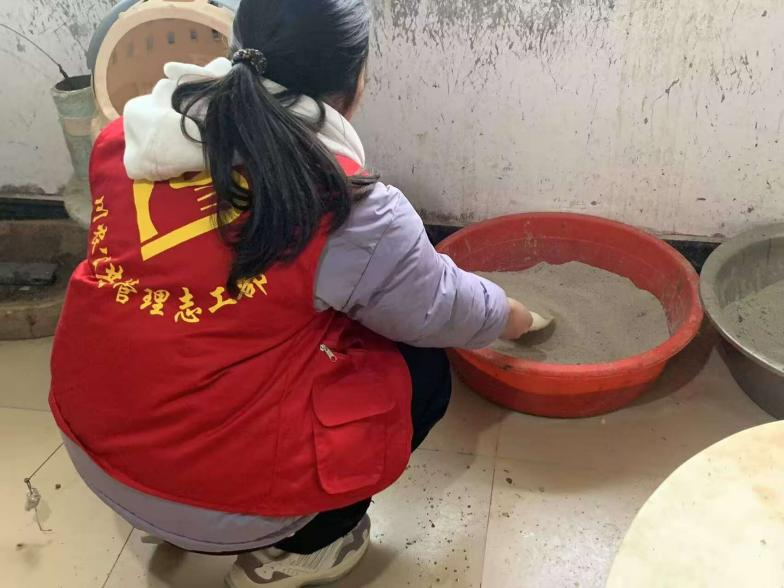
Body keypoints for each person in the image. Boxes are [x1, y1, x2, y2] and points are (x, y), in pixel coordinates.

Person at [49, 1, 538, 586]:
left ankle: (164, 515)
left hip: (93, 450)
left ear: (236, 47)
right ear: (358, 81)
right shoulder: (346, 205)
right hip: (223, 502)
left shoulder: (126, 140)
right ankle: (306, 547)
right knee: (422, 369)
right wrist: (515, 315)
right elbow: (439, 308)